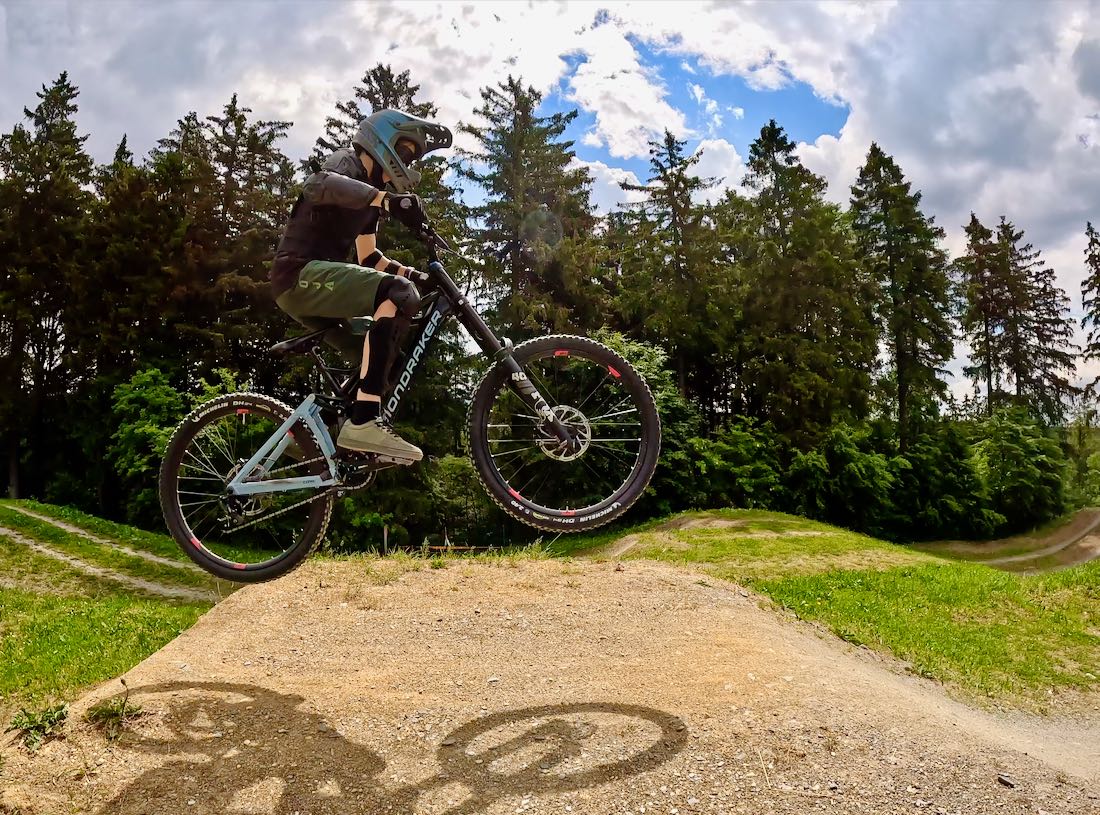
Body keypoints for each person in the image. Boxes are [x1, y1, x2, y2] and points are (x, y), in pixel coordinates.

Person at [269, 109, 452, 462]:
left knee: (388, 354)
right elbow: (317, 185)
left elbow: (370, 259)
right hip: (299, 275)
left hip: (317, 288)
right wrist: (385, 200)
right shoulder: (346, 163)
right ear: (385, 139)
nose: (411, 160)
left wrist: (418, 276)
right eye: (409, 150)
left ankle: (315, 435)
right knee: (396, 294)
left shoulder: (370, 201)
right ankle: (364, 423)